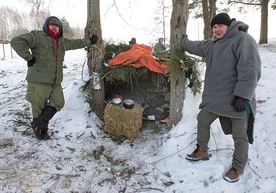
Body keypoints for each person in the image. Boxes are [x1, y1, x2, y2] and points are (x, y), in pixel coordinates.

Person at [181, 13, 261, 182]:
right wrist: (183, 41)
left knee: (240, 136)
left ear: (229, 25)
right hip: (215, 98)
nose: (216, 30)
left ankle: (238, 166)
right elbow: (196, 46)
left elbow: (250, 69)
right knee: (203, 119)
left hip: (236, 99)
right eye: (214, 27)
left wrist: (242, 95)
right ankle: (202, 150)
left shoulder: (243, 40)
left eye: (220, 26)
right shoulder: (213, 44)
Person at [10, 16, 98, 140]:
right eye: (52, 25)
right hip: (38, 80)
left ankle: (38, 124)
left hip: (55, 81)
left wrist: (89, 42)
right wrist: (29, 58)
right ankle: (41, 129)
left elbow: (76, 43)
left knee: (59, 102)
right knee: (38, 106)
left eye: (57, 26)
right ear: (46, 25)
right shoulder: (37, 36)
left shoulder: (61, 41)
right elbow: (16, 41)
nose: (55, 28)